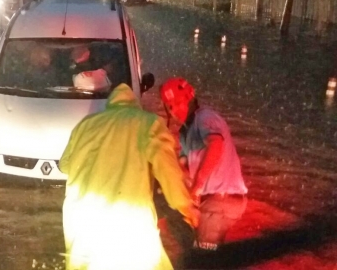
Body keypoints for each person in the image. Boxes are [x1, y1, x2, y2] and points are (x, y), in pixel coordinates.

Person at [59, 83, 199, 270]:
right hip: (128, 226)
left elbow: (64, 165)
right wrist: (186, 207)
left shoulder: (85, 125)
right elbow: (168, 171)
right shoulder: (149, 123)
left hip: (82, 224)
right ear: (135, 104)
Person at [159, 77, 248, 252]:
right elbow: (181, 167)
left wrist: (197, 187)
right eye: (170, 106)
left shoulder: (205, 117)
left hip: (220, 201)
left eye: (178, 102)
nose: (175, 110)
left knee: (203, 256)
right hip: (216, 202)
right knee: (204, 251)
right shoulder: (186, 132)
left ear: (190, 98)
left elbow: (215, 144)